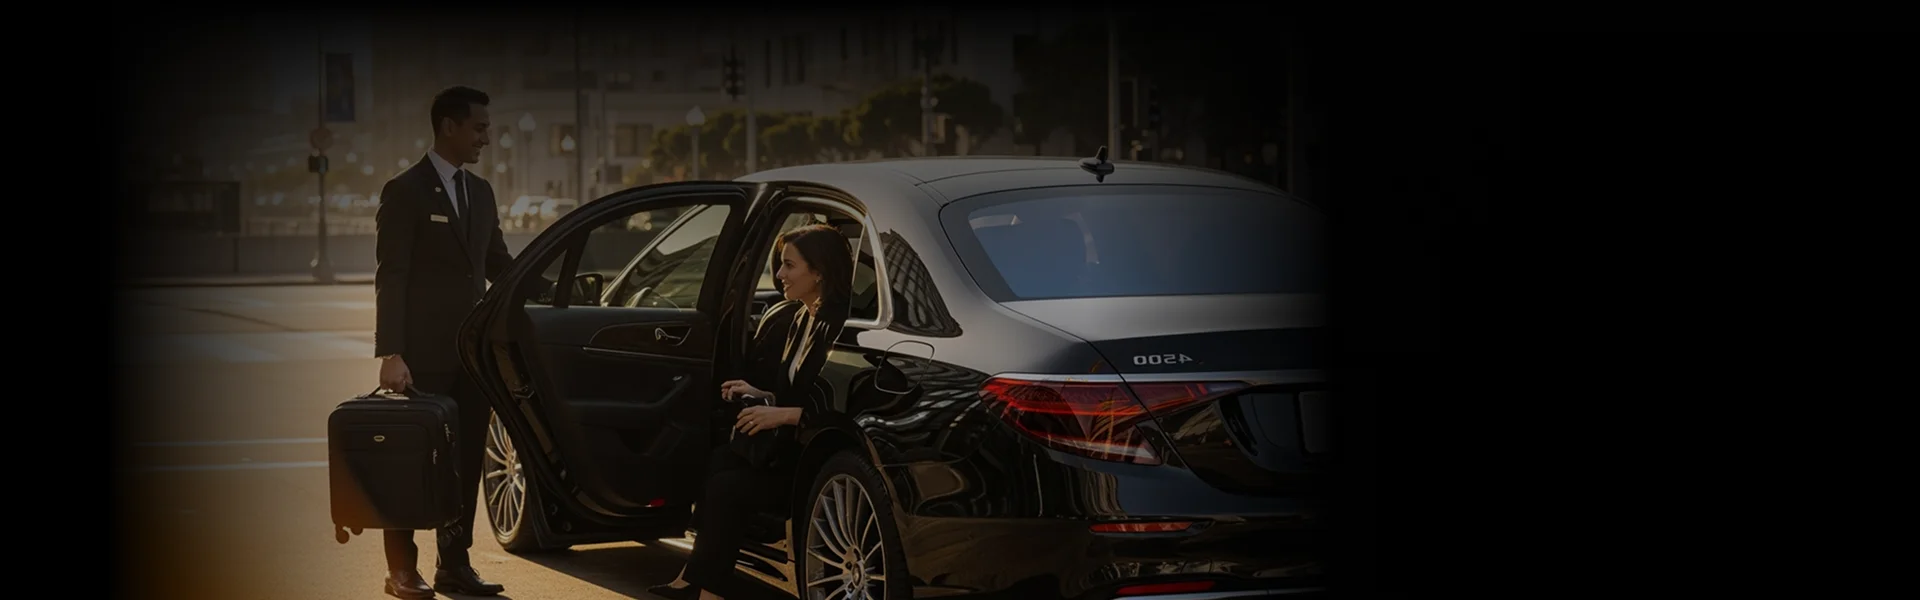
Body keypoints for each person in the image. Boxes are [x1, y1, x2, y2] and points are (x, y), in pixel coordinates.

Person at [647, 224, 856, 600]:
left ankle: (707, 588)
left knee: (729, 485)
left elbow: (835, 412)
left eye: (789, 266)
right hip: (787, 447)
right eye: (780, 265)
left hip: (812, 462)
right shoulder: (800, 318)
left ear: (819, 271)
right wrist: (761, 394)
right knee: (718, 461)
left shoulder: (837, 327)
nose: (779, 275)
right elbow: (797, 390)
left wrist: (781, 416)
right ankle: (695, 576)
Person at [372, 85, 514, 599]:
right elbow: (392, 275)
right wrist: (391, 353)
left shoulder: (481, 193)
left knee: (466, 462)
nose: (486, 138)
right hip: (419, 360)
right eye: (479, 128)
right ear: (449, 126)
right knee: (413, 465)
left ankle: (455, 565)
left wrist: (554, 286)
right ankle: (401, 571)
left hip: (470, 359)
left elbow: (499, 264)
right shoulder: (404, 190)